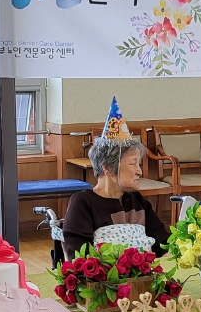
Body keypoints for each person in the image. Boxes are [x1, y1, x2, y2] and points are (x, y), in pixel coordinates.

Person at [62, 96, 170, 258]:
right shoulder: (84, 203)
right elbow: (78, 258)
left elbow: (163, 244)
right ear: (107, 168)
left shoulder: (137, 201)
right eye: (133, 163)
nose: (139, 171)